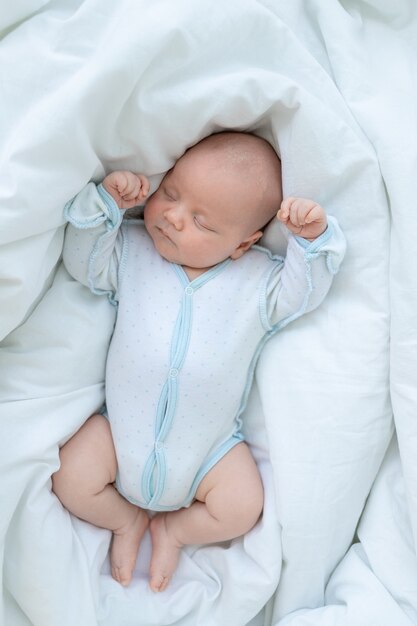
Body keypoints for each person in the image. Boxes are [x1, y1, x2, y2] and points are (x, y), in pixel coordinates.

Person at [52, 132, 346, 593]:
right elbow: (82, 264)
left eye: (202, 223)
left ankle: (175, 530)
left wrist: (312, 242)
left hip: (210, 451)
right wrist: (107, 208)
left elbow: (302, 295)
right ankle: (124, 521)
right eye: (170, 193)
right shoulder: (134, 251)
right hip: (118, 432)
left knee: (242, 506)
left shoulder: (257, 283)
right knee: (69, 477)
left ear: (243, 244)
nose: (172, 216)